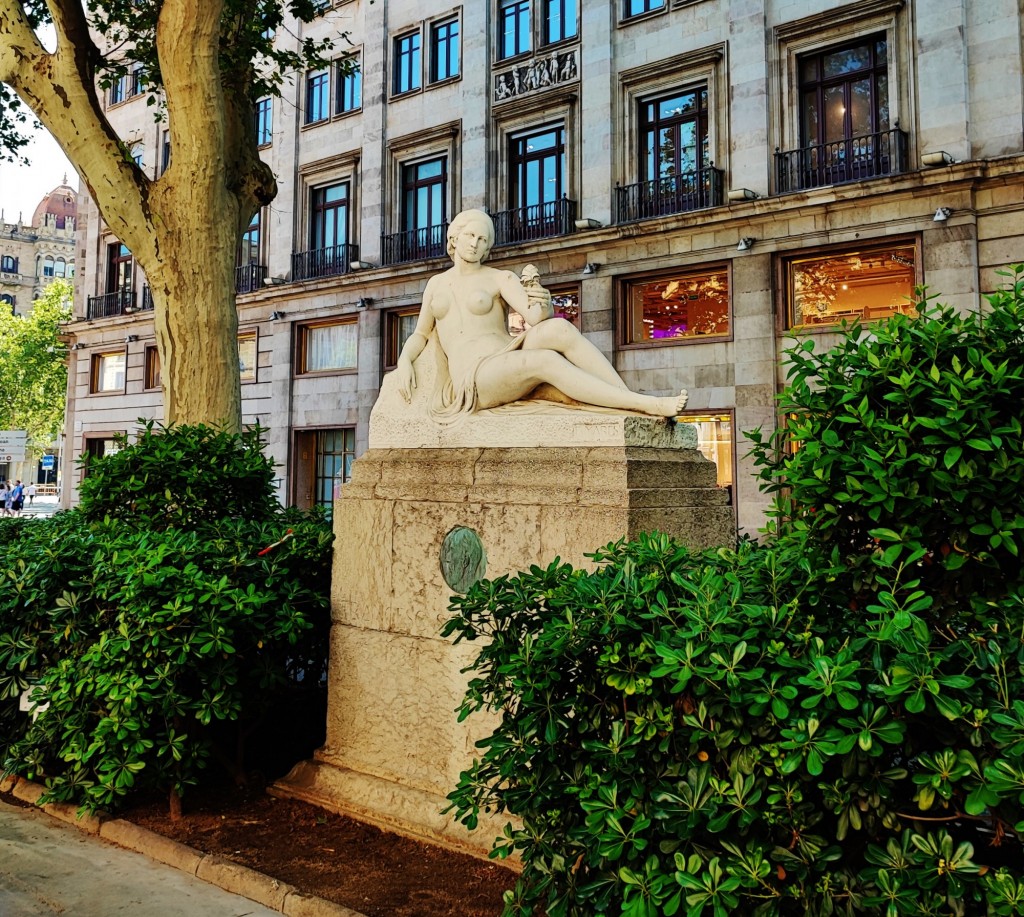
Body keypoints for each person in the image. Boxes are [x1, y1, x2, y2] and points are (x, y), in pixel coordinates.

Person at [395, 209, 687, 420]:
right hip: (475, 376)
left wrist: (544, 304)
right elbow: (421, 334)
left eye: (483, 239)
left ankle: (627, 403)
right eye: (471, 235)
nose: (475, 243)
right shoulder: (436, 284)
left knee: (560, 328)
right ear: (454, 237)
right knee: (545, 360)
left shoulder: (500, 278)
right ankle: (641, 404)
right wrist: (405, 360)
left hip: (505, 352)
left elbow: (535, 318)